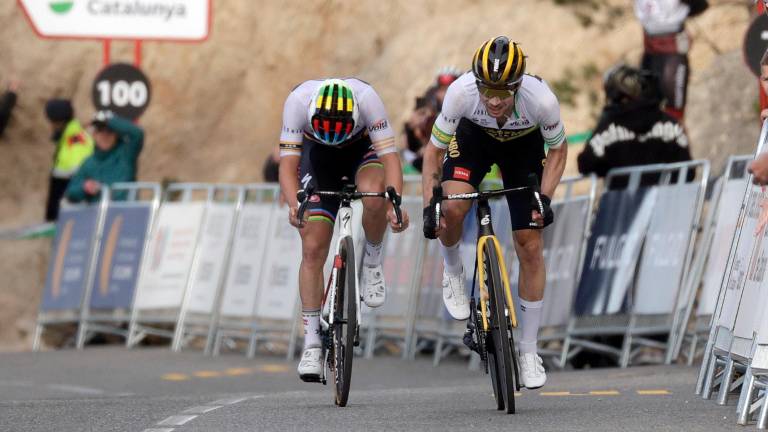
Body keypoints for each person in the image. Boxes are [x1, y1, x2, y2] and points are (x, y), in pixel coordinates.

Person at [421, 36, 568, 389]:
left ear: (518, 86)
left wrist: (544, 200)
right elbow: (432, 153)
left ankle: (529, 351)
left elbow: (559, 151)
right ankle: (453, 272)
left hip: (523, 145)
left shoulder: (541, 101)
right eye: (487, 90)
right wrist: (431, 204)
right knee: (453, 207)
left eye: (504, 92)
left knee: (529, 242)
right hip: (473, 139)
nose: (495, 100)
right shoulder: (460, 94)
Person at [277, 78, 410, 381]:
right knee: (312, 247)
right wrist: (294, 204)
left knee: (375, 196)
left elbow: (390, 158)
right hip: (318, 159)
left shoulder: (367, 99)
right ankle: (311, 343)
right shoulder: (297, 102)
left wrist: (395, 205)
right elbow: (288, 166)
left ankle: (372, 261)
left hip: (361, 152)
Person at [577, 64, 691, 188]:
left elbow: (585, 164)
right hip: (669, 202)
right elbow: (689, 171)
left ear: (614, 94)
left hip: (623, 205)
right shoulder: (670, 123)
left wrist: (607, 166)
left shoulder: (609, 126)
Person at [634, 0, 708, 122]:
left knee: (674, 114)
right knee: (643, 106)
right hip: (650, 49)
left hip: (672, 49)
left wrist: (677, 16)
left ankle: (677, 138)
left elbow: (700, 5)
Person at [65, 111, 143, 203]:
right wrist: (84, 187)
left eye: (110, 131)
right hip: (97, 215)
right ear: (94, 135)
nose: (105, 135)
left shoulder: (126, 153)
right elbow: (71, 193)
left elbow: (137, 133)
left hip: (125, 213)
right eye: (100, 130)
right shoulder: (89, 163)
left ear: (117, 134)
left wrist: (108, 121)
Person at [44, 99, 94, 220]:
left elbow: (79, 178)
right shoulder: (67, 138)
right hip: (62, 210)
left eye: (51, 122)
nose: (50, 126)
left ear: (59, 122)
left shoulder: (77, 141)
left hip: (71, 214)